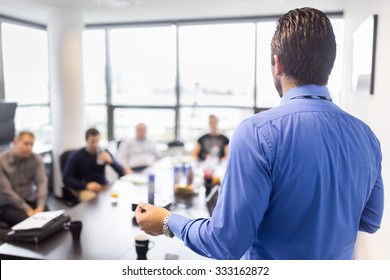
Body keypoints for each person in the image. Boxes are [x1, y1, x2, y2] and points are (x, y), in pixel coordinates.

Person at [135, 7, 384, 260]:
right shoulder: (367, 136)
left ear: (277, 64)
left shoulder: (256, 132)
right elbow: (371, 219)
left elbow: (224, 244)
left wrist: (168, 221)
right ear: (329, 64)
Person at [0, 131, 48, 227]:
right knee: (30, 224)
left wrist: (40, 206)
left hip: (30, 199)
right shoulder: (1, 161)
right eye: (26, 144)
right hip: (9, 204)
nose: (29, 148)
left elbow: (41, 182)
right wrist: (27, 209)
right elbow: (6, 191)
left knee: (51, 220)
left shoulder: (36, 159)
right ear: (15, 143)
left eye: (32, 144)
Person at [62, 128, 124, 202]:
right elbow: (66, 178)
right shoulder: (76, 156)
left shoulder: (103, 152)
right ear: (86, 141)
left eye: (97, 141)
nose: (95, 145)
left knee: (117, 195)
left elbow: (122, 172)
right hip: (85, 188)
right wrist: (86, 185)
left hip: (102, 185)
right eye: (92, 142)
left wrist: (111, 161)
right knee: (93, 201)